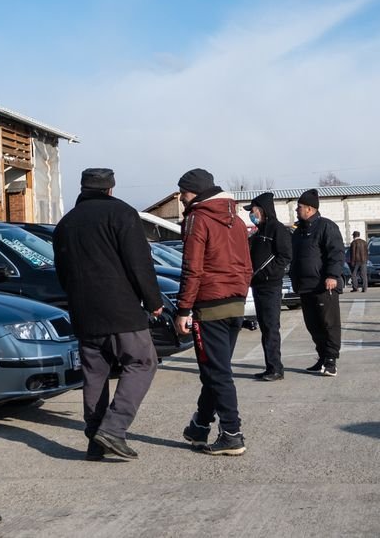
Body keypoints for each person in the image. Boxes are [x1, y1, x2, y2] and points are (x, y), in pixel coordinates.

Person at [54, 168, 164, 461]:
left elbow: (62, 272)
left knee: (94, 375)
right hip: (121, 310)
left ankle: (95, 442)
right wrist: (153, 300)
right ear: (111, 189)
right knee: (142, 362)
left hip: (83, 312)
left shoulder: (66, 223)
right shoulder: (122, 214)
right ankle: (114, 429)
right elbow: (140, 264)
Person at [173, 169, 252, 456]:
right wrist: (241, 291)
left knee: (218, 373)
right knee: (214, 369)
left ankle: (232, 433)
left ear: (194, 192)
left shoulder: (198, 218)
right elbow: (247, 263)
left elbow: (192, 268)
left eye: (183, 192)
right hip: (235, 302)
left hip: (210, 305)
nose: (181, 198)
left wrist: (184, 309)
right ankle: (200, 426)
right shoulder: (237, 219)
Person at [289, 188, 346, 378]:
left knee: (328, 324)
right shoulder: (299, 232)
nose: (297, 210)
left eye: (299, 207)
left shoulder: (326, 227)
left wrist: (332, 275)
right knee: (313, 325)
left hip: (323, 285)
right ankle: (322, 357)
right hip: (305, 287)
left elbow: (336, 253)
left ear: (310, 209)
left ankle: (331, 361)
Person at [245, 192, 292, 381]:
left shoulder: (277, 230)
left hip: (270, 286)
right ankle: (270, 366)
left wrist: (266, 273)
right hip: (257, 286)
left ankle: (276, 369)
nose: (251, 214)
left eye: (253, 210)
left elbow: (285, 256)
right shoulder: (259, 231)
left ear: (262, 210)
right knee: (264, 327)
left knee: (271, 327)